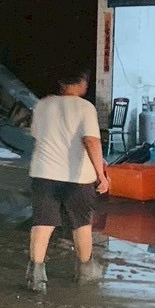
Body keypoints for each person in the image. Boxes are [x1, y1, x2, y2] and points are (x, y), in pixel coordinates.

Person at [26, 67, 110, 292]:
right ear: (83, 83)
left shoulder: (43, 105)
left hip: (44, 173)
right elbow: (91, 141)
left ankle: (36, 274)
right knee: (81, 224)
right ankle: (86, 270)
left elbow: (36, 135)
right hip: (77, 177)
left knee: (42, 224)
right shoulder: (85, 108)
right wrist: (101, 174)